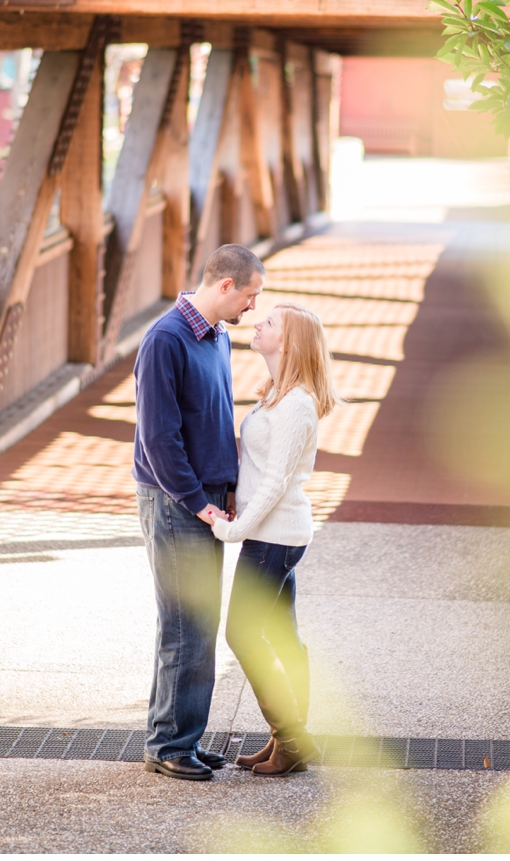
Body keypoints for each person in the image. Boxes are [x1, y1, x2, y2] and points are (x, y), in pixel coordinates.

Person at [133, 243, 265, 781]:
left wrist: (229, 485)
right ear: (226, 286)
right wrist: (200, 504)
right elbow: (160, 439)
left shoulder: (218, 335)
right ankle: (169, 745)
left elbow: (218, 416)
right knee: (187, 624)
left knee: (197, 621)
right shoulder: (165, 340)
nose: (253, 310)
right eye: (250, 297)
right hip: (175, 501)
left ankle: (179, 734)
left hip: (208, 499)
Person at [210, 302, 341, 775]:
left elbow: (277, 482)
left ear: (287, 342)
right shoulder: (276, 396)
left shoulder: (297, 405)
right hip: (273, 532)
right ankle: (286, 745)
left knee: (242, 633)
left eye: (270, 322)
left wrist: (233, 529)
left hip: (273, 536)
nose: (258, 323)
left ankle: (293, 738)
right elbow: (259, 470)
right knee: (285, 638)